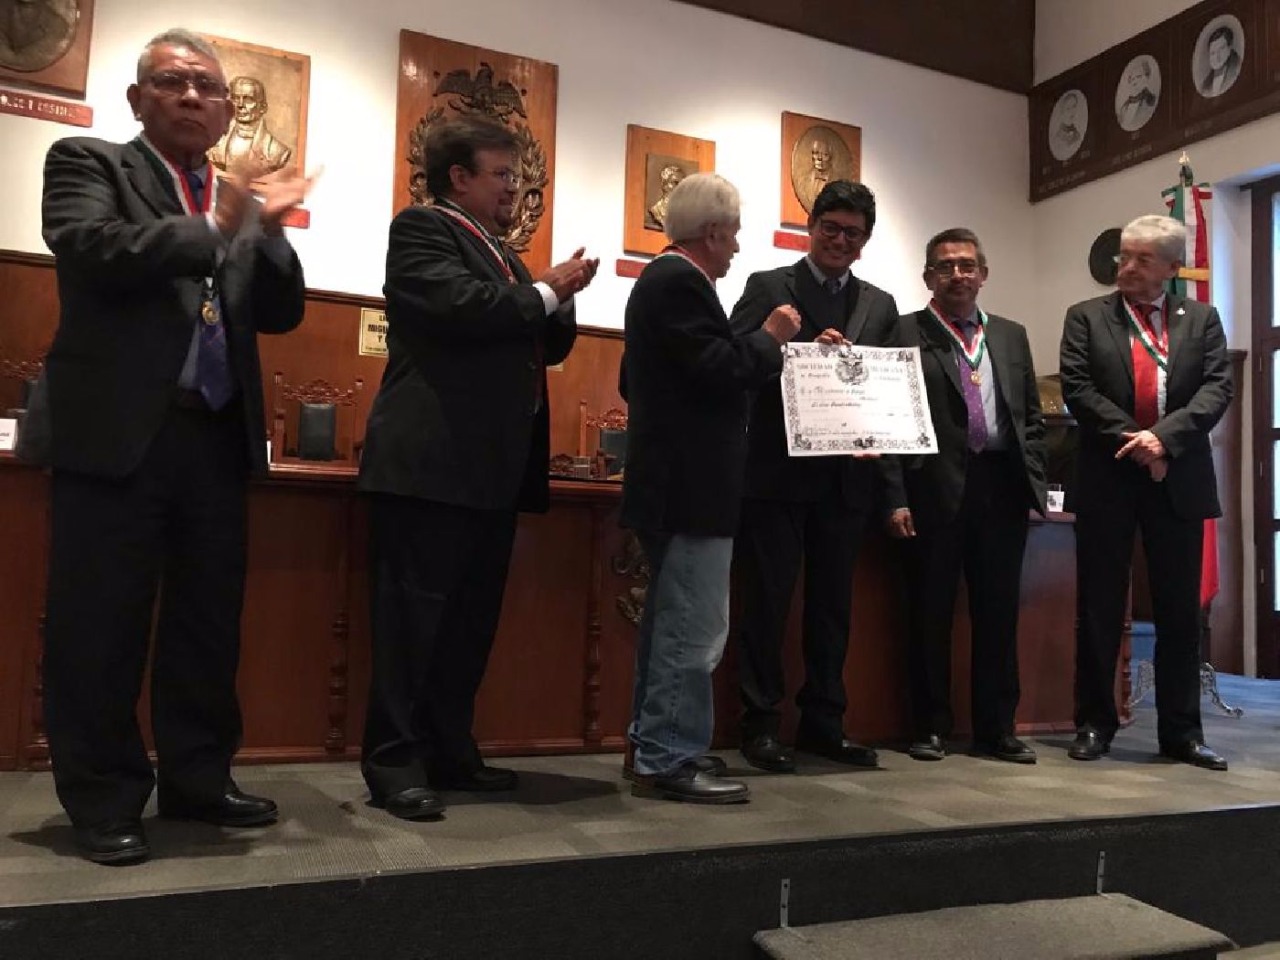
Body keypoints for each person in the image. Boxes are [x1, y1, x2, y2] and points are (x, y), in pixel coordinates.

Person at [38, 27, 312, 865]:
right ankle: (104, 798)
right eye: (172, 83)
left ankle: (198, 778)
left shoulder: (231, 195)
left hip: (214, 434)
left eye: (207, 88)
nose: (193, 97)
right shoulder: (88, 162)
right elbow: (92, 247)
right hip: (118, 433)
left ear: (226, 110)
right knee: (101, 625)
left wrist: (266, 230)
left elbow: (281, 313)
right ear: (138, 99)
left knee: (206, 624)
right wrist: (218, 225)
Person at [358, 116, 599, 820]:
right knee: (411, 626)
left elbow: (543, 341)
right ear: (459, 177)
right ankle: (393, 762)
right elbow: (460, 308)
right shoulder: (423, 229)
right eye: (501, 175)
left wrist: (559, 296)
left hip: (491, 470)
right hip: (429, 467)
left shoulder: (504, 255)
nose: (514, 189)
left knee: (467, 624)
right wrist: (545, 291)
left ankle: (448, 750)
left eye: (517, 177)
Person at [621, 172, 801, 804]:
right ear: (714, 231)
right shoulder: (679, 282)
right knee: (692, 632)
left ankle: (652, 744)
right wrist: (770, 338)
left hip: (674, 485)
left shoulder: (662, 282)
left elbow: (637, 380)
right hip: (691, 489)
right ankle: (668, 756)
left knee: (671, 625)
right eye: (734, 234)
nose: (738, 247)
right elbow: (719, 370)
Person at [730, 181, 899, 774]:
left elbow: (888, 392)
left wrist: (883, 456)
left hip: (847, 481)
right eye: (831, 228)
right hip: (775, 477)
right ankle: (759, 725)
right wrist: (797, 349)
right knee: (767, 604)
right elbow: (736, 362)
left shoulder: (880, 304)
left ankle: (824, 724)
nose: (840, 240)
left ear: (865, 241)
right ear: (811, 226)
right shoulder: (768, 286)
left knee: (832, 610)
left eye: (853, 233)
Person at [1060, 214, 1232, 770]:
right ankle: (1094, 723)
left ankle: (1182, 733)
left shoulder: (1201, 319)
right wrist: (1139, 444)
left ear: (1172, 268)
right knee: (1100, 607)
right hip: (1109, 477)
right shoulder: (1087, 316)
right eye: (1124, 256)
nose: (1127, 267)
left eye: (1142, 259)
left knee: (1180, 613)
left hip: (1177, 477)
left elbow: (1216, 388)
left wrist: (1164, 441)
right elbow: (1079, 388)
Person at [885, 229, 1046, 764]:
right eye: (946, 266)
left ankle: (997, 729)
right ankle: (930, 727)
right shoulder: (903, 331)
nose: (958, 275)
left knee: (998, 615)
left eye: (967, 266)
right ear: (928, 277)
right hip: (931, 489)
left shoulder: (1011, 335)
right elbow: (886, 421)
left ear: (983, 274)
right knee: (928, 612)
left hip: (1001, 488)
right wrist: (895, 496)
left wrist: (1034, 484)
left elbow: (1031, 418)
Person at [208, 76, 294, 180]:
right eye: (235, 98)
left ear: (263, 107)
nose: (240, 105)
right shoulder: (214, 143)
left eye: (248, 99)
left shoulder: (277, 152)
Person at [1198, 24, 1242, 99]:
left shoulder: (1236, 70)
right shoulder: (1206, 85)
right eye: (1213, 53)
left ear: (1229, 48)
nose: (1217, 57)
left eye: (1221, 49)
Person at [1116, 57, 1158, 132]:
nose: (1134, 81)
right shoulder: (1126, 104)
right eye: (1132, 78)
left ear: (1147, 78)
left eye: (1138, 76)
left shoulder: (1149, 100)